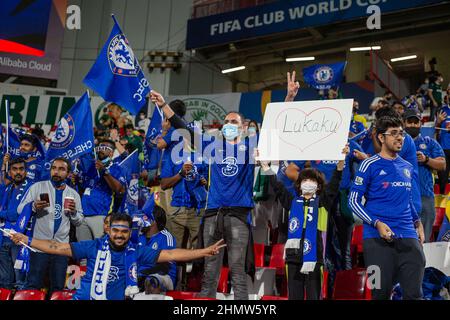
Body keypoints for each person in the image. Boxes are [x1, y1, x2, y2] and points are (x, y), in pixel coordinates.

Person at [150, 90, 257, 300]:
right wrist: (164, 106)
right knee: (210, 269)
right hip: (212, 214)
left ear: (243, 127)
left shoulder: (251, 146)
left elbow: (276, 127)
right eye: (226, 121)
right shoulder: (211, 145)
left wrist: (288, 99)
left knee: (237, 268)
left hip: (237, 216)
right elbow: (183, 128)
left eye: (233, 121)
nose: (228, 124)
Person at [10, 213, 226, 300]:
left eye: (125, 231)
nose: (120, 235)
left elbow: (170, 253)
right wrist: (26, 240)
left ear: (130, 232)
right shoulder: (93, 246)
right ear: (108, 230)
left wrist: (203, 251)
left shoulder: (137, 251)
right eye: (116, 230)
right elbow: (56, 247)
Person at [349, 116, 426, 300]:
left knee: (415, 294)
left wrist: (417, 222)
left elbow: (406, 199)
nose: (399, 138)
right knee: (379, 294)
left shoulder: (407, 166)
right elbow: (353, 201)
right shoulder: (369, 164)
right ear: (381, 138)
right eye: (394, 133)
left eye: (401, 133)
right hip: (376, 240)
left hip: (407, 234)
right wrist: (376, 223)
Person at [260, 146, 348, 300]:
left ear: (319, 186)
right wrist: (265, 166)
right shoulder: (291, 202)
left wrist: (341, 162)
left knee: (314, 296)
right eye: (305, 180)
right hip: (293, 258)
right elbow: (277, 186)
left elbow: (335, 182)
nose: (308, 183)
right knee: (294, 297)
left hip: (314, 257)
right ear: (299, 185)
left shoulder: (323, 203)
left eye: (312, 180)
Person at [17, 157, 84, 295]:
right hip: (39, 245)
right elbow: (20, 209)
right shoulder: (38, 187)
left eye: (61, 169)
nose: (56, 172)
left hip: (60, 248)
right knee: (33, 284)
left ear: (68, 173)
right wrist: (33, 206)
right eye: (54, 168)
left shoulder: (74, 195)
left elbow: (79, 221)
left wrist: (74, 212)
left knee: (58, 287)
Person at [403, 110, 446, 241]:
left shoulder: (429, 142)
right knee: (406, 239)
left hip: (425, 195)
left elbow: (443, 164)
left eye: (416, 122)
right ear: (404, 123)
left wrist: (427, 160)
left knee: (424, 239)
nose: (413, 125)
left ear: (420, 123)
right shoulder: (398, 142)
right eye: (410, 122)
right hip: (404, 196)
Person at [77, 140, 126, 241]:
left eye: (105, 147)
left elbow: (118, 189)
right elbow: (84, 187)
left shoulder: (116, 168)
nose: (101, 149)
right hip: (82, 214)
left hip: (101, 214)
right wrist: (77, 179)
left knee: (101, 248)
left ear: (111, 153)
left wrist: (104, 171)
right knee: (83, 250)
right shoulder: (91, 168)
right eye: (100, 147)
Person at [0, 158, 31, 289]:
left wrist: (2, 213)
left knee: (20, 281)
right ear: (10, 172)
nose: (18, 172)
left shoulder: (30, 188)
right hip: (4, 236)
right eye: (14, 169)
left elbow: (16, 213)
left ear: (26, 171)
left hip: (19, 238)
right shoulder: (8, 188)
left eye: (21, 169)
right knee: (4, 281)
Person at [137, 205, 177, 294]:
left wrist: (143, 274)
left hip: (162, 276)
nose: (141, 220)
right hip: (139, 274)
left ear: (153, 221)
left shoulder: (166, 237)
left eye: (145, 217)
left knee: (151, 280)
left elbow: (165, 266)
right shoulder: (138, 235)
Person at [436, 105, 450, 194]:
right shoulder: (441, 110)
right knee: (442, 179)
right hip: (444, 148)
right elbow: (435, 131)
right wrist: (438, 122)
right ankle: (442, 202)